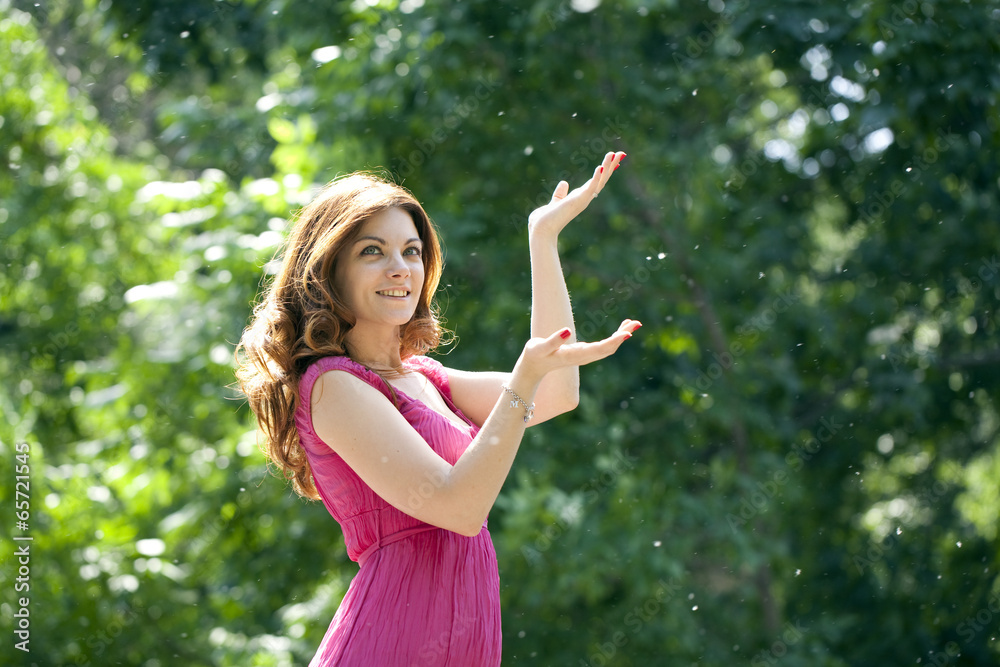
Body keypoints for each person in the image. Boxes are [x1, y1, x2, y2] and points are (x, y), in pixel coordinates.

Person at [235, 150, 640, 666]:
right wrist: (524, 378)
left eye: (411, 251)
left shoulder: (426, 380)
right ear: (329, 270)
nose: (400, 269)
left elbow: (558, 390)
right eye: (372, 252)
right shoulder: (333, 385)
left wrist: (543, 240)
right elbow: (459, 509)